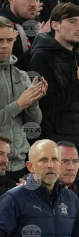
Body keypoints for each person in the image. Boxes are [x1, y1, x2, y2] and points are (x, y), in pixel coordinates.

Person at [29, 3, 79, 180]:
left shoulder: (78, 58)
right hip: (55, 150)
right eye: (72, 21)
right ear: (55, 25)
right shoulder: (42, 57)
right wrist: (78, 82)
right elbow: (46, 107)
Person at [0, 16, 43, 183]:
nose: (5, 45)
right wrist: (18, 105)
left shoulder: (22, 75)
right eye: (0, 40)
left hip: (19, 165)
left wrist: (33, 101)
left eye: (9, 40)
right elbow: (17, 107)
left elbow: (33, 123)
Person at [0, 0, 41, 65]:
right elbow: (9, 68)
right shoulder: (2, 27)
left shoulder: (39, 24)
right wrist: (40, 43)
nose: (34, 4)